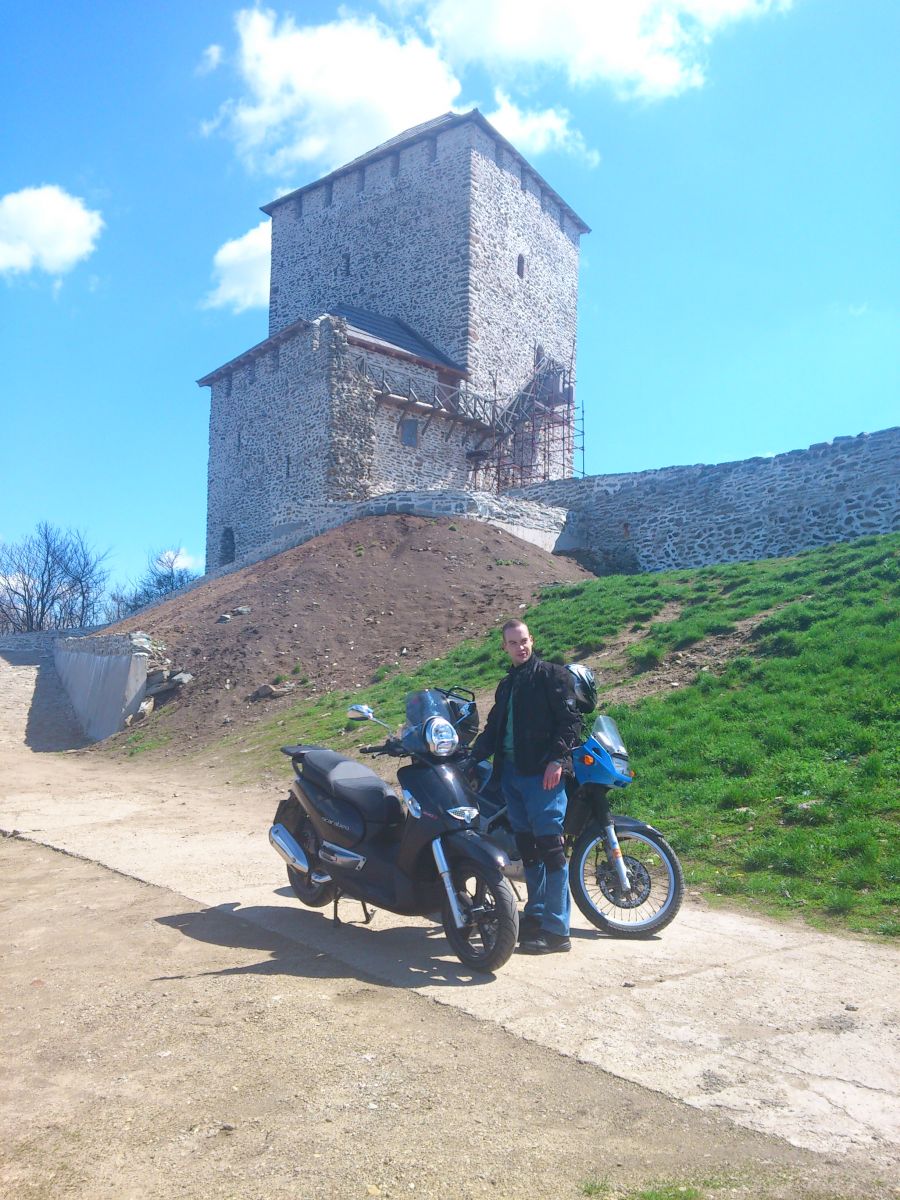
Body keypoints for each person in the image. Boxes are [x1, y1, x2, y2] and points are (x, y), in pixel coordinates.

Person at [470, 619, 581, 954]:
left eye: (523, 641)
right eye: (513, 643)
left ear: (532, 640)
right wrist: (470, 758)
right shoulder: (506, 685)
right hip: (511, 775)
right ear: (504, 647)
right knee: (528, 850)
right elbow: (493, 729)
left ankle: (558, 931)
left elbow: (571, 722)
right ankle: (535, 915)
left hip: (542, 775)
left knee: (551, 848)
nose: (520, 647)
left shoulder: (552, 676)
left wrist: (557, 761)